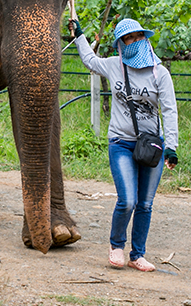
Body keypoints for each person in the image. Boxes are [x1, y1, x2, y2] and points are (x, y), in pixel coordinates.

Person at [69, 16, 179, 272]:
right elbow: (90, 61)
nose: (134, 41)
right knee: (127, 200)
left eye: (138, 36)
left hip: (152, 146)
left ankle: (137, 254)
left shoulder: (159, 73)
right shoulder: (114, 66)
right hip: (120, 142)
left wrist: (171, 146)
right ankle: (116, 246)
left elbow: (170, 110)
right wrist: (79, 36)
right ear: (121, 43)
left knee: (146, 203)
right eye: (128, 38)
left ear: (145, 38)